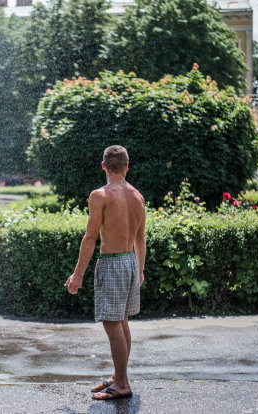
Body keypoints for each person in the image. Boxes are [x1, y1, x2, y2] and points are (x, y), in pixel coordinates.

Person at [64, 145, 146, 401]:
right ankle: (118, 374)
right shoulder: (137, 196)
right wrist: (140, 269)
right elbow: (141, 238)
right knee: (121, 321)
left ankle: (122, 383)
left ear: (103, 166)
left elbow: (90, 237)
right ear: (126, 166)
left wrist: (77, 274)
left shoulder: (100, 195)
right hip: (131, 261)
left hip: (111, 262)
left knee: (112, 324)